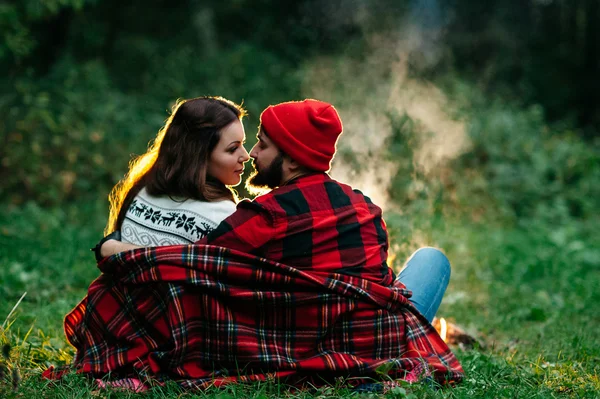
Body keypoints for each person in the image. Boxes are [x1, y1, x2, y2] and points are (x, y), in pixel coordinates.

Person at [77, 99, 463, 390]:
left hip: (301, 345)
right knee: (430, 260)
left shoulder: (258, 219)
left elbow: (193, 263)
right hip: (375, 340)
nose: (253, 155)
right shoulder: (366, 210)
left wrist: (112, 247)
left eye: (262, 145)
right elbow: (377, 282)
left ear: (291, 160)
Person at [94, 96, 249, 256]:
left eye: (242, 144)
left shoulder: (141, 195)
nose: (246, 155)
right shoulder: (222, 216)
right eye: (233, 149)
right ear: (199, 155)